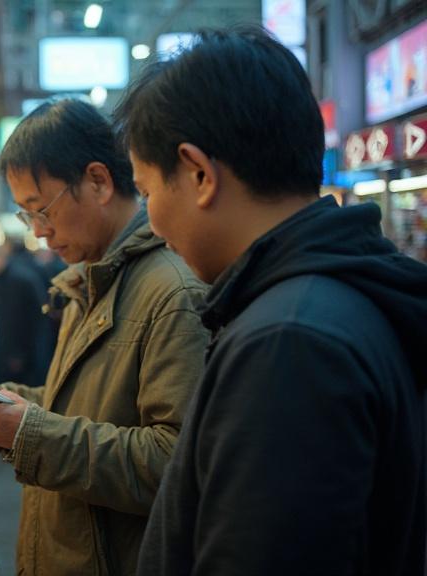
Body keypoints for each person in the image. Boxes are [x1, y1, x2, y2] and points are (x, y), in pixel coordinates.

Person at [114, 26, 427, 575]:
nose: (153, 222)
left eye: (147, 192)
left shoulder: (289, 343)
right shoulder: (331, 298)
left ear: (198, 174)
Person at [0, 98, 209, 575]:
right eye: (27, 216)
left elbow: (176, 463)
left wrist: (32, 432)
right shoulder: (87, 280)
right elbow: (86, 408)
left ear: (99, 182)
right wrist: (1, 407)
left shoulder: (172, 291)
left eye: (40, 209)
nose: (40, 232)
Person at [0, 239, 52, 387]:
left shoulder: (19, 280)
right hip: (10, 349)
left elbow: (29, 322)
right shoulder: (3, 278)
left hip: (21, 355)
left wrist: (19, 354)